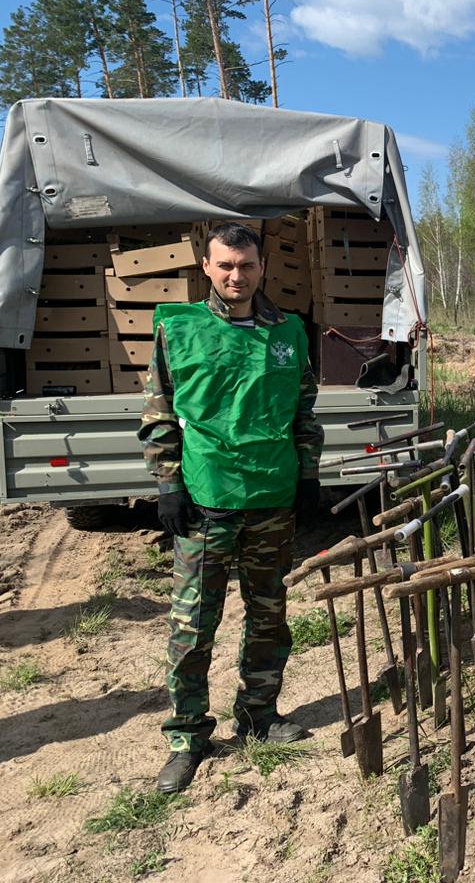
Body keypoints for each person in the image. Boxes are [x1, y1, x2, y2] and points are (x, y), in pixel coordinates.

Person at [139, 222, 324, 794]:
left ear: (261, 267)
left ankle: (259, 715)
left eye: (245, 266)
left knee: (268, 617)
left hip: (272, 498)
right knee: (193, 627)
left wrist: (309, 474)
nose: (235, 276)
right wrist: (168, 483)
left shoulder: (290, 332)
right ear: (206, 267)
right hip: (205, 502)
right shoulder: (180, 329)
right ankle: (187, 736)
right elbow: (160, 411)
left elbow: (304, 411)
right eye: (224, 266)